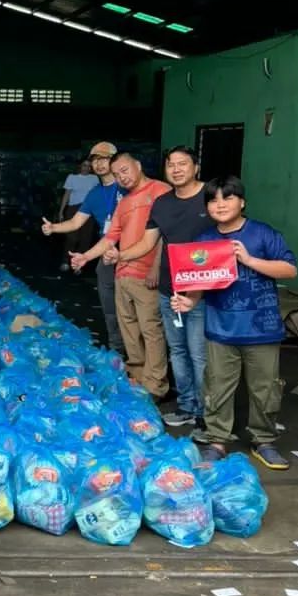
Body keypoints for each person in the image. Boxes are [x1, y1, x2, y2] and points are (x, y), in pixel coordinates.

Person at [171, 176, 297, 471]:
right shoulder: (204, 240)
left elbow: (290, 269)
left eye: (227, 198)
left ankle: (264, 440)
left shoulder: (263, 234)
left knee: (264, 388)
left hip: (261, 328)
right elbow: (199, 281)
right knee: (217, 387)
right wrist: (189, 302)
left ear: (242, 202)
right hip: (220, 328)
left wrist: (250, 260)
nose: (220, 204)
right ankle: (216, 441)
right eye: (213, 200)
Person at [116, 146, 213, 429]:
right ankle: (186, 406)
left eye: (183, 164)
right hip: (170, 290)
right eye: (171, 164)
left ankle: (207, 413)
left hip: (203, 292)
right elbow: (148, 243)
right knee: (178, 351)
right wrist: (119, 255)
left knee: (200, 354)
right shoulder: (162, 203)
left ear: (196, 167)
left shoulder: (211, 197)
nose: (176, 169)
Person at [70, 153, 171, 397]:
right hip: (123, 273)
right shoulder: (124, 202)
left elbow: (168, 234)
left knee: (151, 331)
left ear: (138, 165)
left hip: (146, 274)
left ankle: (156, 386)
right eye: (117, 175)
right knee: (129, 330)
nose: (121, 177)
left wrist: (157, 268)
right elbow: (110, 237)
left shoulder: (160, 191)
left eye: (124, 170)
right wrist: (86, 257)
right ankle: (137, 379)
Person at [41, 141, 125, 354]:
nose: (98, 164)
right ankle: (118, 349)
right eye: (95, 159)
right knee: (110, 307)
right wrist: (54, 227)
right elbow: (77, 222)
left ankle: (139, 355)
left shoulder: (128, 187)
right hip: (105, 253)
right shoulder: (95, 193)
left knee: (134, 307)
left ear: (116, 160)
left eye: (104, 159)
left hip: (131, 254)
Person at [56, 159, 98, 270]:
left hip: (89, 210)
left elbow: (97, 195)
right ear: (80, 166)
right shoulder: (72, 177)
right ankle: (65, 261)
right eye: (84, 165)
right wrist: (61, 211)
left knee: (86, 238)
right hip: (73, 209)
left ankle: (78, 264)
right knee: (72, 237)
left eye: (89, 166)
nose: (86, 168)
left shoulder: (94, 179)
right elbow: (66, 195)